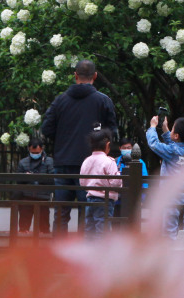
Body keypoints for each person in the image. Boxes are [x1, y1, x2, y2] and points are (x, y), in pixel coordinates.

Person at [40, 59, 118, 233]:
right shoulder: (103, 101)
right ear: (95, 76)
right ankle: (86, 254)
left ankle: (59, 255)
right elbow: (112, 132)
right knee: (88, 212)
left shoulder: (60, 101)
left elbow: (46, 129)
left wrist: (62, 141)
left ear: (75, 75)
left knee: (61, 213)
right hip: (92, 165)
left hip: (63, 162)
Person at [145, 114, 184, 239]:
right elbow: (174, 146)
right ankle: (181, 250)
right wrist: (167, 131)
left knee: (169, 228)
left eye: (172, 129)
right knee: (181, 226)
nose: (171, 131)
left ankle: (170, 253)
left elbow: (153, 144)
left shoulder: (173, 152)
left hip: (171, 194)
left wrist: (152, 127)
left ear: (177, 136)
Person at [79, 128, 121, 236]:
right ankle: (101, 251)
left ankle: (89, 250)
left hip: (90, 198)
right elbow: (115, 183)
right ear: (108, 145)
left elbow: (82, 182)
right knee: (103, 229)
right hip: (105, 200)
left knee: (89, 228)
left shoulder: (86, 161)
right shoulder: (109, 161)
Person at [15, 136, 55, 234]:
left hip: (43, 196)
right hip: (26, 195)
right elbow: (18, 180)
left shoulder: (49, 161)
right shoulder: (23, 162)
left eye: (37, 153)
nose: (35, 154)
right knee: (24, 224)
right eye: (32, 152)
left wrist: (37, 177)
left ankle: (44, 243)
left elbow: (52, 179)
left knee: (44, 225)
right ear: (29, 149)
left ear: (42, 149)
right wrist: (26, 177)